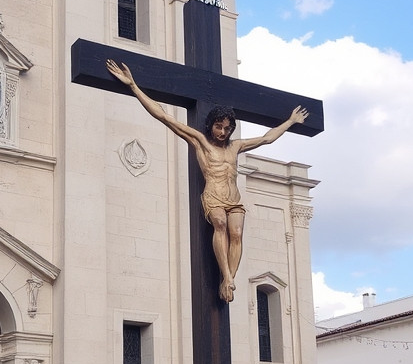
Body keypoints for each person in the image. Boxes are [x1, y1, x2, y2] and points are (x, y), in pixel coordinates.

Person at [106, 59, 308, 302]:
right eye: (219, 127)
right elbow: (165, 117)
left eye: (227, 128)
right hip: (213, 196)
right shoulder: (200, 141)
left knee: (237, 232)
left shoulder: (236, 146)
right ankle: (227, 276)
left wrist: (290, 121)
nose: (223, 132)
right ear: (211, 125)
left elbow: (267, 138)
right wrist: (134, 86)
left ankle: (228, 281)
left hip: (234, 198)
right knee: (220, 224)